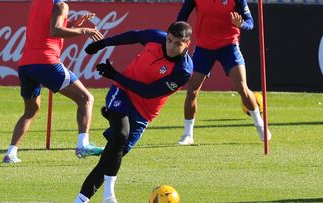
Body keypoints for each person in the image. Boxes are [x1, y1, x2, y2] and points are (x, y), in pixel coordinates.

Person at [74, 21, 193, 203]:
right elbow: (134, 35)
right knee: (121, 135)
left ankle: (80, 200)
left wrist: (114, 75)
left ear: (187, 44)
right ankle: (109, 196)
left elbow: (148, 91)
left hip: (144, 112)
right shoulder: (156, 38)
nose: (171, 46)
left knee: (110, 156)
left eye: (177, 43)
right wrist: (103, 43)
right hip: (122, 91)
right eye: (169, 40)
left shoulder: (183, 70)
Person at [3, 0, 105, 163]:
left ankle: (11, 153)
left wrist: (71, 23)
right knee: (86, 99)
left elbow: (47, 26)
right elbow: (55, 30)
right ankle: (83, 145)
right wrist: (84, 30)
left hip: (26, 65)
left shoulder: (37, 3)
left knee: (30, 111)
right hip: (46, 63)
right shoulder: (61, 5)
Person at [176, 0, 272, 145]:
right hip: (203, 48)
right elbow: (182, 16)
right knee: (192, 90)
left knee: (242, 88)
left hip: (229, 47)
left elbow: (250, 23)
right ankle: (188, 134)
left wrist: (241, 25)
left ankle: (260, 125)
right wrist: (181, 34)